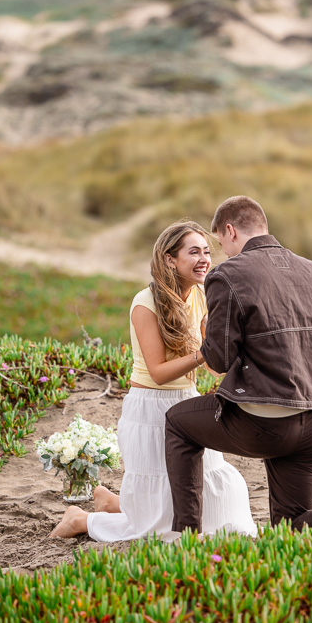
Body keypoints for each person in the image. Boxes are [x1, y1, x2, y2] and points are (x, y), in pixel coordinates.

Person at [165, 197, 312, 535]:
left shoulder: (227, 275)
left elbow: (219, 360)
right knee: (289, 527)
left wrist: (207, 335)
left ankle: (186, 536)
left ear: (231, 230)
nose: (221, 253)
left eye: (220, 242)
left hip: (267, 423)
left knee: (177, 422)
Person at [50, 221, 257, 540]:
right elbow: (158, 372)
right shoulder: (144, 303)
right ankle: (82, 520)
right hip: (150, 410)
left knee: (218, 503)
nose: (204, 259)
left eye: (206, 251)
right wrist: (206, 351)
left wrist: (230, 357)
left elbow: (213, 365)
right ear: (170, 259)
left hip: (188, 402)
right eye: (193, 252)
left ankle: (114, 503)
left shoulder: (202, 295)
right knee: (163, 526)